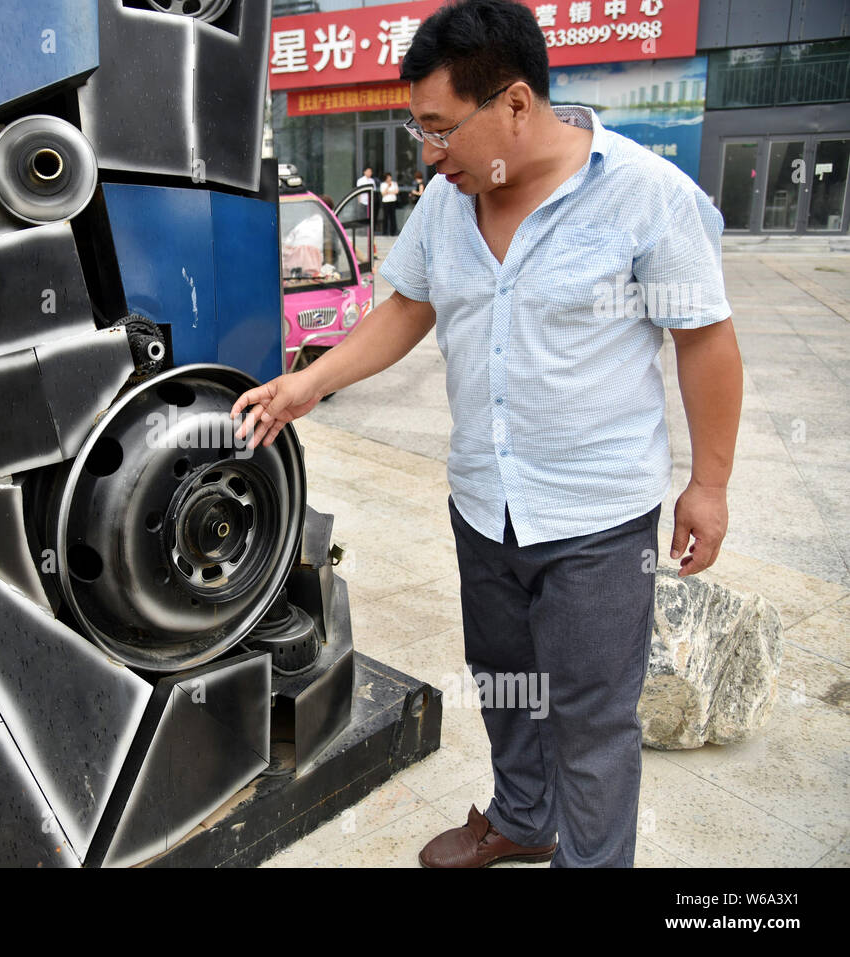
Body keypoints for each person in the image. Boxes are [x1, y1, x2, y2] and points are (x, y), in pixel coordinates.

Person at [230, 0, 742, 868]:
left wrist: (711, 484)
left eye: (439, 128)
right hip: (485, 504)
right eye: (418, 127)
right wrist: (310, 380)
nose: (428, 151)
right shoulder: (445, 202)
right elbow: (409, 307)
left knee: (591, 718)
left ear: (512, 103)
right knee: (508, 688)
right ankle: (521, 818)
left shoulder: (643, 195)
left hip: (596, 520)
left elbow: (705, 339)